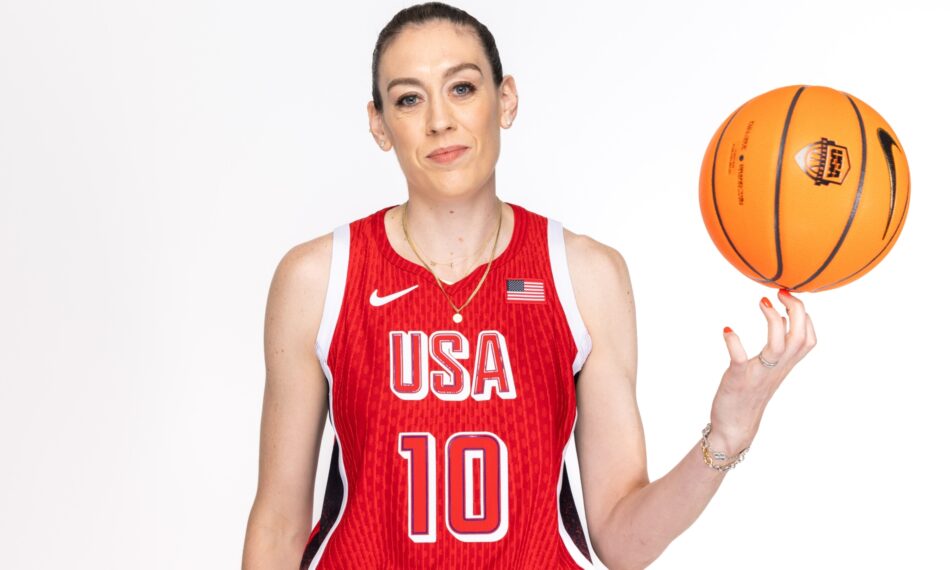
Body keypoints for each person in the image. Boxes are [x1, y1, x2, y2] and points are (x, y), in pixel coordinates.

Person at [241, 3, 818, 569]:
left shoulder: (585, 275)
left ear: (506, 99)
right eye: (409, 98)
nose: (440, 119)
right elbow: (278, 526)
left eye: (462, 88)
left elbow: (621, 540)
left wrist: (725, 437)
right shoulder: (319, 278)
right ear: (379, 124)